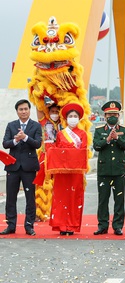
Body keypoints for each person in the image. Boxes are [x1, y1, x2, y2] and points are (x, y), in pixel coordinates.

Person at [1, 99, 42, 236]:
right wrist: (16, 140)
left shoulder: (35, 126)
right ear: (17, 111)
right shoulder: (11, 125)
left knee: (30, 197)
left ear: (29, 110)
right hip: (13, 166)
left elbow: (37, 144)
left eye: (25, 109)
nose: (23, 111)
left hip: (29, 167)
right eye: (21, 109)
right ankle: (11, 225)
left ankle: (29, 225)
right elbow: (5, 144)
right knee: (11, 197)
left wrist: (25, 137)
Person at [48, 103, 88, 235]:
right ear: (66, 118)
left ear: (79, 118)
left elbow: (83, 152)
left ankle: (71, 225)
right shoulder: (60, 134)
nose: (73, 118)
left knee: (73, 197)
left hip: (76, 172)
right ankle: (61, 224)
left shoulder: (83, 134)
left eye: (75, 116)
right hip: (62, 172)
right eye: (70, 116)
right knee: (61, 197)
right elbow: (58, 151)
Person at [93, 101, 125, 236]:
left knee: (119, 199)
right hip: (104, 170)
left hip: (119, 170)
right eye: (110, 114)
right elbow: (96, 146)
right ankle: (102, 225)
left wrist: (117, 139)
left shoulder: (124, 130)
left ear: (119, 115)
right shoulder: (99, 130)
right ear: (105, 115)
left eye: (115, 114)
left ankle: (118, 226)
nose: (112, 116)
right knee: (103, 199)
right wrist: (108, 139)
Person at [34, 102, 62, 221]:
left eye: (57, 112)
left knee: (58, 185)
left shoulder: (64, 123)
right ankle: (39, 212)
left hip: (59, 156)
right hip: (45, 155)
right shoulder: (44, 121)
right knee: (41, 182)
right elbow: (38, 106)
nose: (54, 114)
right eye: (52, 112)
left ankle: (57, 212)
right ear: (48, 112)